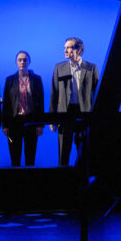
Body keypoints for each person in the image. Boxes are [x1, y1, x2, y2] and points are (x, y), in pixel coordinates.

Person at [50, 37, 99, 166]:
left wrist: (96, 118)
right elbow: (54, 93)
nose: (65, 50)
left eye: (69, 47)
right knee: (63, 153)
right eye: (64, 47)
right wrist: (52, 118)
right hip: (65, 113)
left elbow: (97, 93)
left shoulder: (91, 68)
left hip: (84, 114)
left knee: (84, 153)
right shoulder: (59, 67)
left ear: (79, 49)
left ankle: (82, 177)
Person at [2, 51, 44, 166]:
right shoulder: (10, 80)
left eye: (25, 60)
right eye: (20, 60)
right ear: (16, 62)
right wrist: (5, 125)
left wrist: (40, 124)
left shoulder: (36, 79)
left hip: (31, 121)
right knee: (15, 157)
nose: (22, 62)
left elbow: (40, 103)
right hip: (14, 121)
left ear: (29, 61)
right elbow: (6, 104)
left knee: (30, 157)